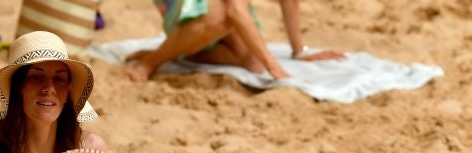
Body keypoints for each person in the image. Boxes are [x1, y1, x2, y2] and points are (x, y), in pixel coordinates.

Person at [125, 0, 345, 82]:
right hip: (190, 8)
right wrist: (274, 66)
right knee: (219, 18)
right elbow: (235, 11)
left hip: (223, 9)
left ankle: (176, 51)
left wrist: (300, 51)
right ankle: (151, 62)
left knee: (253, 63)